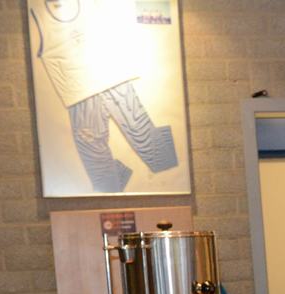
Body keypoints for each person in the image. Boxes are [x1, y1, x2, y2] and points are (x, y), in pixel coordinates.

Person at [29, 0, 179, 193]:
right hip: (81, 96)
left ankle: (165, 177)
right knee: (95, 152)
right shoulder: (39, 17)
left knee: (143, 136)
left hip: (113, 79)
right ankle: (114, 188)